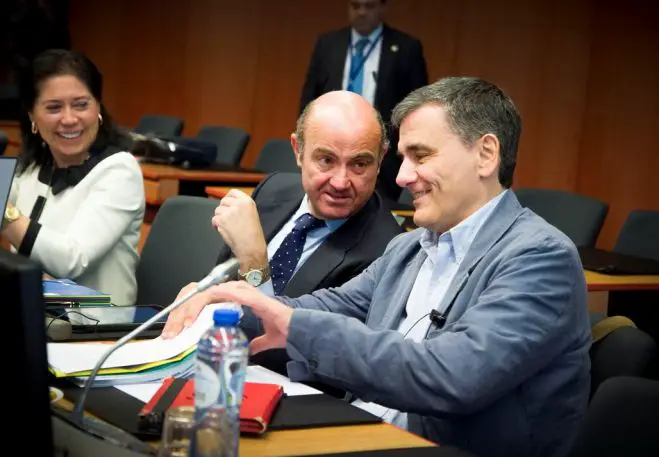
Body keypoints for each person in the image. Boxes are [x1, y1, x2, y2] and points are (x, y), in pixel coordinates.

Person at [193, 77, 592, 457]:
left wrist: (294, 325)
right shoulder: (409, 248)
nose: (401, 177)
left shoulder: (539, 257)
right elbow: (320, 308)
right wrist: (224, 301)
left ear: (486, 154)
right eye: (402, 159)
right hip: (363, 432)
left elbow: (452, 376)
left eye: (420, 156)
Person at [162, 90, 403, 372]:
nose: (340, 182)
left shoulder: (385, 248)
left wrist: (255, 264)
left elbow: (283, 356)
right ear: (298, 151)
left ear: (381, 158)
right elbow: (222, 295)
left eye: (359, 164)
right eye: (326, 160)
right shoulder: (273, 189)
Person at [1, 49, 145, 306]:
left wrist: (7, 214)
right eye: (54, 108)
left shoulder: (119, 170)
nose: (69, 119)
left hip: (97, 328)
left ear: (98, 108)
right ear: (32, 116)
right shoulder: (30, 167)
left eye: (81, 105)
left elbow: (72, 260)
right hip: (33, 314)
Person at [300, 0, 428, 203]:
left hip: (383, 156)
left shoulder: (406, 47)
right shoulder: (329, 43)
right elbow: (309, 98)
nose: (361, 12)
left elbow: (417, 106)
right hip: (331, 146)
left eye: (369, 6)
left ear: (382, 8)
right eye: (355, 6)